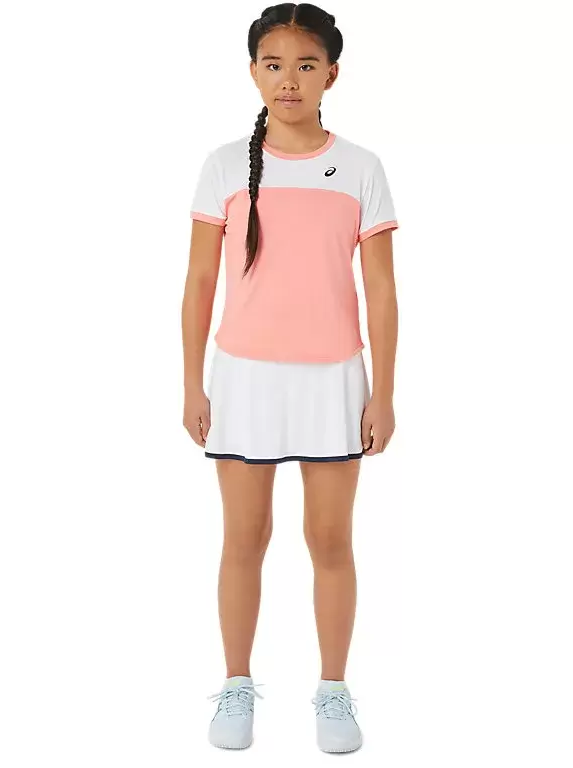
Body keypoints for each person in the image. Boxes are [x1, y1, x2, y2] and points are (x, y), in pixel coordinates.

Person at [181, 2, 399, 754]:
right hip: (243, 380)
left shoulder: (361, 168)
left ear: (331, 74)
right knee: (244, 537)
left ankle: (333, 690)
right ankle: (236, 682)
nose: (289, 80)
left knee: (330, 539)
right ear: (253, 72)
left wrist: (383, 392)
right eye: (273, 64)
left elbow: (382, 291)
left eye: (306, 65)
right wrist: (192, 384)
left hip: (333, 380)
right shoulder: (223, 166)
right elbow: (199, 282)